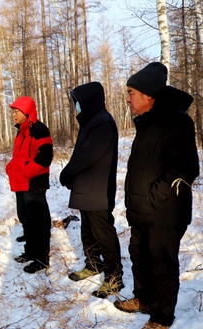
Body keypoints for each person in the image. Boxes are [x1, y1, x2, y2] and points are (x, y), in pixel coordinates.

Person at [115, 62, 199, 329]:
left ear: (148, 95)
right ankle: (144, 299)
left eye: (131, 93)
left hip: (165, 212)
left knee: (162, 262)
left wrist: (153, 198)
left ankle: (162, 316)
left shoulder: (177, 121)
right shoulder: (146, 122)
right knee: (140, 255)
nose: (128, 99)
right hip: (141, 208)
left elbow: (185, 169)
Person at [59, 82, 124, 298]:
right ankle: (93, 264)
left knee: (103, 234)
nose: (76, 107)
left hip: (98, 190)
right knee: (87, 231)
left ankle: (114, 277)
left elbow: (87, 155)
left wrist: (68, 172)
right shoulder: (91, 121)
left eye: (78, 102)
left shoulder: (103, 123)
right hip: (87, 189)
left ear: (89, 101)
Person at [6, 96, 53, 273]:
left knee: (39, 223)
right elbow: (19, 157)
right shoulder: (21, 131)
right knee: (26, 221)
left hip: (33, 184)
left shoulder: (39, 130)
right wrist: (11, 168)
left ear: (27, 112)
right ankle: (31, 252)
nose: (14, 115)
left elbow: (44, 157)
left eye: (16, 111)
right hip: (20, 184)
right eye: (13, 112)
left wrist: (26, 172)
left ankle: (41, 259)